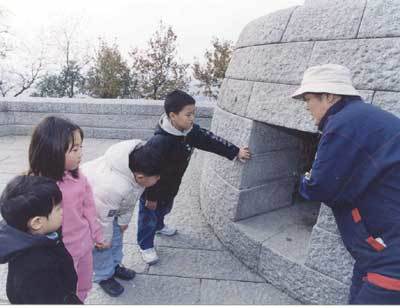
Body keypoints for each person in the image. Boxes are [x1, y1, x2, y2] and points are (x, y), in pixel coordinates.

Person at [293, 64, 400, 304]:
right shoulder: (364, 117)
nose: (307, 106)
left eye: (308, 98)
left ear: (329, 96)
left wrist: (303, 179)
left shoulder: (342, 125)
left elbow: (319, 186)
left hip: (391, 255)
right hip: (378, 249)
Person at [137, 89, 251, 264]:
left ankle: (160, 226)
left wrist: (235, 151)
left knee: (165, 209)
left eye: (193, 114)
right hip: (153, 189)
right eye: (188, 115)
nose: (192, 118)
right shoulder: (159, 143)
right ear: (172, 116)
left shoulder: (190, 132)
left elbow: (211, 140)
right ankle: (145, 245)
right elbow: (147, 171)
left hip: (172, 185)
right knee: (148, 217)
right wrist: (150, 197)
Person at [28, 116, 107, 302]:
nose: (80, 154)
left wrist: (97, 235)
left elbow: (89, 208)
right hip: (60, 253)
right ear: (51, 151)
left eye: (81, 147)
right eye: (74, 149)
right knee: (63, 289)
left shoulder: (79, 177)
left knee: (83, 283)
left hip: (83, 244)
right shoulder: (36, 187)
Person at [81, 140, 161, 297]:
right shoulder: (113, 186)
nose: (158, 179)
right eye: (156, 177)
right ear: (140, 176)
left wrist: (123, 221)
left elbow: (130, 200)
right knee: (101, 248)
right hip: (91, 213)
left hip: (109, 210)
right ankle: (104, 276)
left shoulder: (136, 175)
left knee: (116, 239)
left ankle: (114, 265)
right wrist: (103, 239)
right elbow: (102, 217)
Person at [0, 175, 82, 304]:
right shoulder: (37, 270)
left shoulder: (31, 236)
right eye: (58, 208)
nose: (62, 211)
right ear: (37, 222)